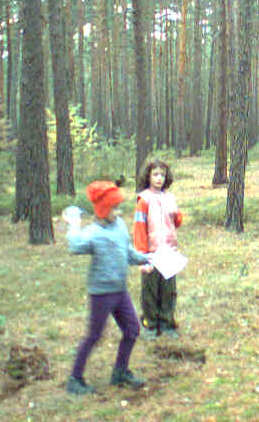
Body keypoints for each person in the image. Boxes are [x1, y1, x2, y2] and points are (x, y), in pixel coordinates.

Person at [64, 180, 154, 395]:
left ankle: (120, 372)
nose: (118, 212)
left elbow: (128, 253)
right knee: (94, 336)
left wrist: (148, 258)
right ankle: (75, 379)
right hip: (102, 294)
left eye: (118, 207)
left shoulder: (120, 226)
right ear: (103, 210)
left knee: (132, 329)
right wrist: (74, 224)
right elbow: (75, 245)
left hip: (120, 291)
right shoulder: (93, 233)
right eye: (114, 208)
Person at [133, 158, 183, 339]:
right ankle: (150, 324)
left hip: (168, 251)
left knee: (168, 289)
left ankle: (167, 322)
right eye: (155, 174)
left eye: (162, 175)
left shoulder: (169, 198)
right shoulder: (144, 200)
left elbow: (177, 222)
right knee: (150, 290)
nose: (159, 178)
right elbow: (139, 228)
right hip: (151, 253)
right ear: (148, 176)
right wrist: (141, 255)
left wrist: (177, 214)